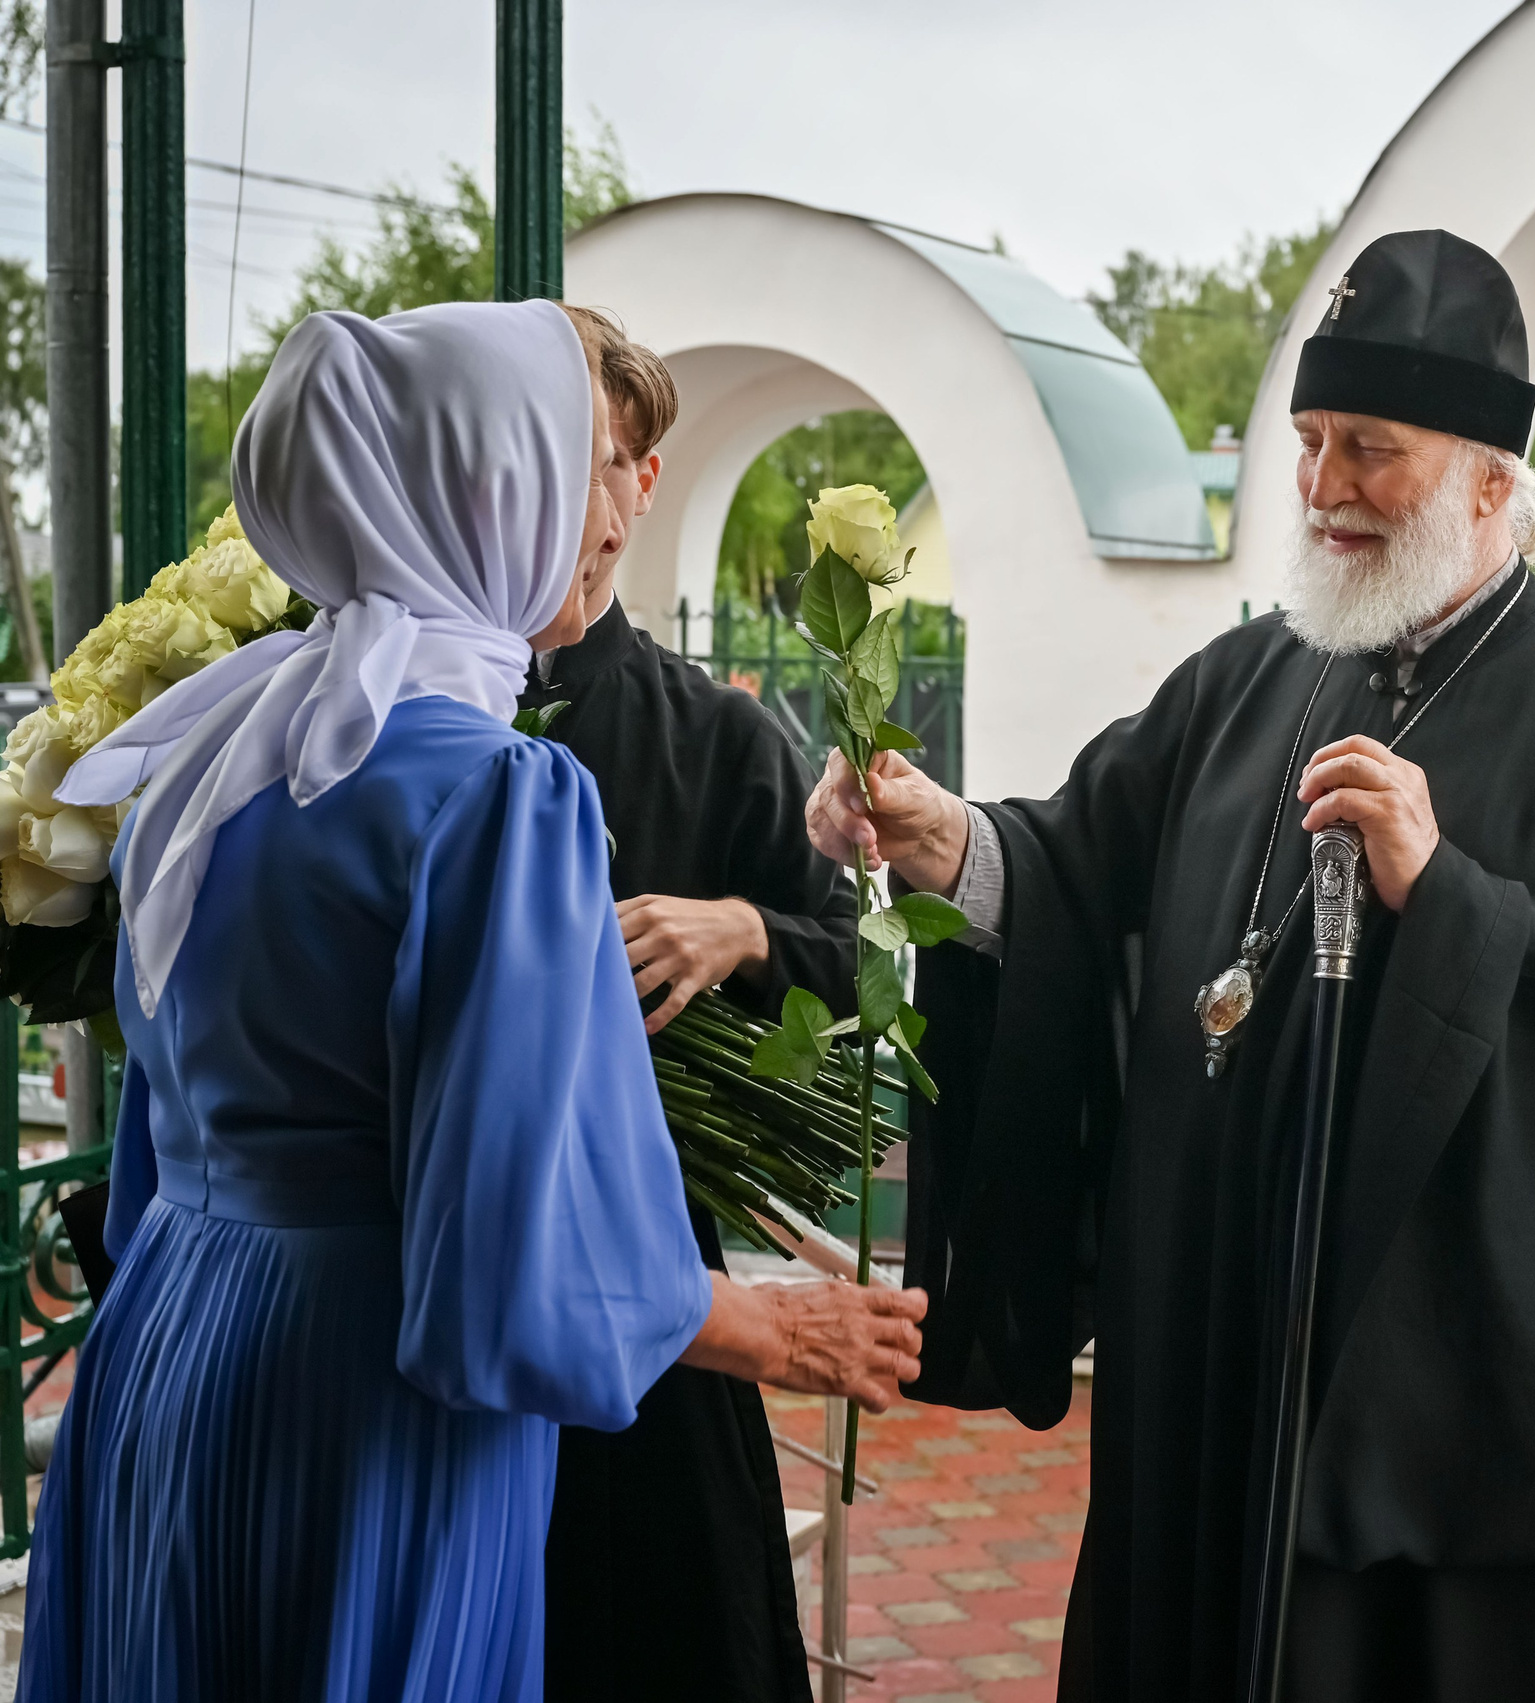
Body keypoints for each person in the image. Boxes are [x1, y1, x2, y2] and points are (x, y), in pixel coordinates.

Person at [806, 229, 1535, 1701]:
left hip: (1444, 1416)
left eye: (1370, 448)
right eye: (1310, 442)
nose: (1322, 487)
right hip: (1209, 1358)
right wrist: (943, 844)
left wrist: (1450, 898)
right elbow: (1077, 866)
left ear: (1492, 476)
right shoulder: (1252, 676)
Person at [17, 300, 924, 1703]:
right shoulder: (500, 789)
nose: (606, 512)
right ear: (478, 490)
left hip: (171, 1350)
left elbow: (153, 1149)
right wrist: (760, 1326)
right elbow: (510, 1264)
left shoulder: (207, 757)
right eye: (572, 465)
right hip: (363, 1394)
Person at [528, 309, 872, 1703]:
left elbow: (851, 967)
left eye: (604, 465)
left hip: (668, 1327)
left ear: (646, 481)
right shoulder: (405, 714)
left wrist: (746, 930)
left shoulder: (722, 736)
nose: (576, 510)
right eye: (540, 463)